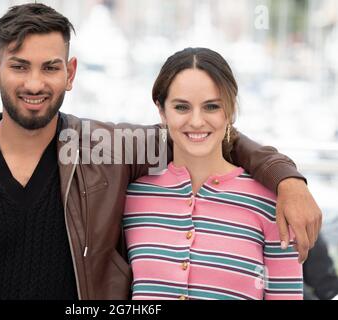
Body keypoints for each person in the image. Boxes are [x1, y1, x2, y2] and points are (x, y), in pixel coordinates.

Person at [0, 3, 321, 300]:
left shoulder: (106, 151)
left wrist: (287, 179)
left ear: (71, 73)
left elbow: (200, 133)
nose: (35, 83)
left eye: (50, 67)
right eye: (19, 66)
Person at [123, 48, 303, 300]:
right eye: (182, 107)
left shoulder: (272, 203)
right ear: (162, 111)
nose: (196, 121)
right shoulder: (132, 197)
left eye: (211, 107)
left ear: (229, 110)